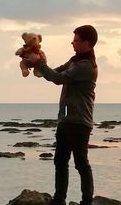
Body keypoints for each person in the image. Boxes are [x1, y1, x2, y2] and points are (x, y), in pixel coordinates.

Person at [24, 25, 98, 205]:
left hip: (80, 121)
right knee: (60, 161)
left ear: (87, 43)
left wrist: (40, 64)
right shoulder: (74, 61)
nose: (72, 42)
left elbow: (58, 79)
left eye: (76, 40)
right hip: (66, 119)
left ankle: (87, 201)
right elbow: (54, 72)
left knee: (81, 163)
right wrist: (38, 62)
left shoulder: (86, 66)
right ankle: (59, 200)